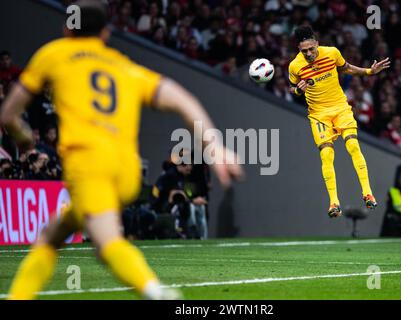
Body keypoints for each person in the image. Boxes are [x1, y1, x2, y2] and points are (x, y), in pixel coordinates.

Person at [0, 0, 243, 300]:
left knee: (106, 244)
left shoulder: (53, 54)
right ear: (106, 33)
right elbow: (182, 100)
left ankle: (156, 292)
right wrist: (215, 146)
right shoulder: (122, 65)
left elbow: (8, 114)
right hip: (126, 169)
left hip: (89, 164)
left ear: (66, 28)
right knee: (52, 235)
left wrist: (24, 138)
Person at [288, 25, 390, 218]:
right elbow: (292, 89)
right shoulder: (295, 66)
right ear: (299, 50)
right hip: (318, 114)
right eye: (304, 51)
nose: (308, 53)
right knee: (326, 155)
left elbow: (347, 68)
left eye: (311, 49)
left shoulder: (332, 53)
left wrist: (369, 71)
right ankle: (334, 202)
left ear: (317, 43)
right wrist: (298, 91)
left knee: (353, 146)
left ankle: (367, 193)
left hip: (340, 108)